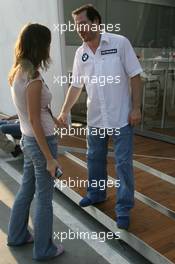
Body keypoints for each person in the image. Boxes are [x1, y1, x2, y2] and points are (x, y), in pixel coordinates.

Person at [58, 4, 142, 230]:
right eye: (76, 25)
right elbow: (76, 86)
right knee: (94, 159)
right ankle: (96, 194)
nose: (80, 29)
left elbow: (135, 76)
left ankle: (123, 208)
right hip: (95, 118)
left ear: (96, 22)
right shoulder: (80, 53)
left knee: (123, 164)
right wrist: (64, 111)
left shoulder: (119, 43)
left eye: (83, 23)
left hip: (121, 117)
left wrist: (136, 108)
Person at [7, 23, 64, 260]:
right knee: (45, 199)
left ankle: (17, 235)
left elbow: (36, 109)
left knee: (26, 190)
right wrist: (50, 159)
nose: (49, 48)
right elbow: (33, 117)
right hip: (41, 143)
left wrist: (54, 118)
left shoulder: (18, 71)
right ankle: (44, 249)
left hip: (28, 140)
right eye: (48, 43)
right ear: (40, 45)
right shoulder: (34, 77)